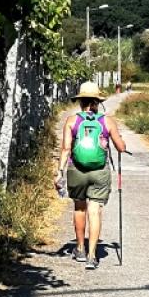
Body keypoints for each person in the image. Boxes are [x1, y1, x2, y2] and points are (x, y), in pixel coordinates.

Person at [56, 81, 127, 270]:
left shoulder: (72, 121)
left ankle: (80, 248)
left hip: (76, 170)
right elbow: (121, 148)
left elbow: (66, 149)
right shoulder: (106, 121)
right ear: (97, 102)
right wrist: (120, 141)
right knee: (94, 210)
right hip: (99, 172)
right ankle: (92, 255)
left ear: (80, 101)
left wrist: (60, 172)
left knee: (80, 208)